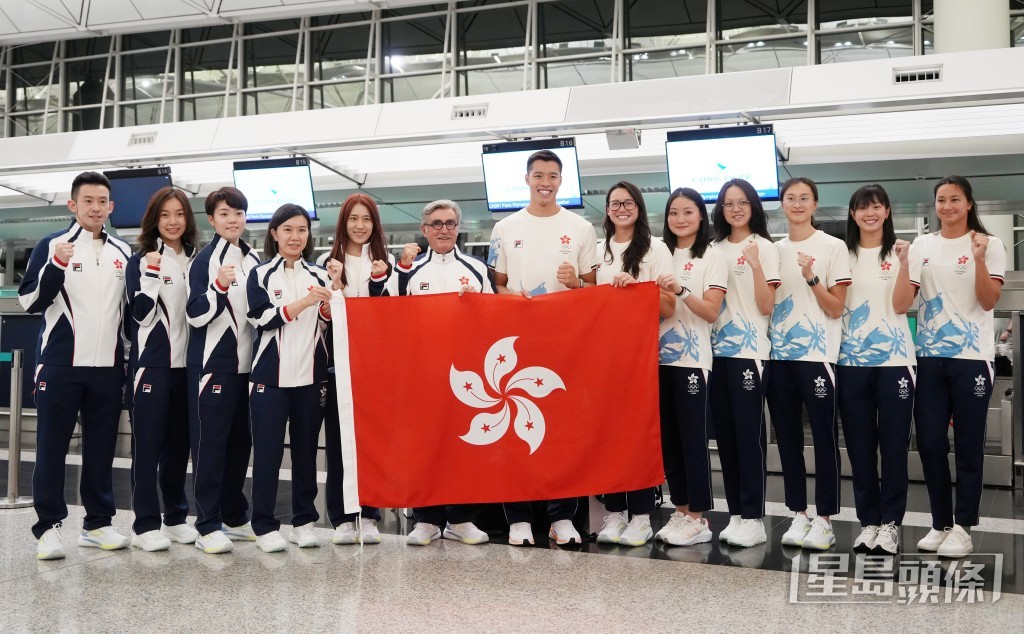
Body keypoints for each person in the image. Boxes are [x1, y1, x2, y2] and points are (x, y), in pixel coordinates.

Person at [487, 149, 599, 546]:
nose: (545, 182)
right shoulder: (505, 227)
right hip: (515, 344)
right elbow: (496, 281)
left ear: (561, 181)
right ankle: (518, 517)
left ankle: (561, 516)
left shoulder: (581, 228)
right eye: (538, 175)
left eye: (553, 175)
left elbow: (593, 291)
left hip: (565, 344)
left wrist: (576, 285)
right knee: (515, 425)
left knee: (562, 430)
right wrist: (509, 298)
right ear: (527, 179)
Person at [20, 171, 132, 560]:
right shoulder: (52, 244)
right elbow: (29, 302)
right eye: (88, 201)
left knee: (101, 449)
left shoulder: (123, 252)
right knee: (51, 447)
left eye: (102, 201)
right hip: (60, 364)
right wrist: (54, 265)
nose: (96, 207)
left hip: (107, 366)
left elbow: (130, 312)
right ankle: (48, 527)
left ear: (111, 206)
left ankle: (97, 524)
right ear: (73, 205)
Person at [911, 175, 1004, 558]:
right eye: (941, 200)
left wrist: (979, 260)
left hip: (972, 359)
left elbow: (987, 301)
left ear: (968, 204)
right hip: (929, 357)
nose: (947, 206)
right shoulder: (922, 245)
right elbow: (907, 296)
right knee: (930, 443)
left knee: (968, 445)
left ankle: (963, 525)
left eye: (955, 199)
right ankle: (940, 522)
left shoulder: (988, 243)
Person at [394, 199, 494, 546]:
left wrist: (476, 305)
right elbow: (391, 316)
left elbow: (496, 316)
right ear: (424, 230)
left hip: (467, 373)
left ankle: (462, 519)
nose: (443, 229)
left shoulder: (477, 268)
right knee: (425, 446)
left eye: (450, 223)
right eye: (436, 224)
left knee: (465, 445)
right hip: (423, 373)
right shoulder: (408, 271)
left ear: (458, 228)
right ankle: (426, 519)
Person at [767, 177, 850, 551]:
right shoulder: (771, 250)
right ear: (782, 204)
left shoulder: (833, 247)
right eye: (790, 198)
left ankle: (826, 518)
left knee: (823, 437)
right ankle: (798, 513)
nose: (797, 204)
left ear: (815, 204)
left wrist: (812, 277)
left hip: (818, 358)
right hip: (779, 358)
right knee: (787, 439)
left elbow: (836, 307)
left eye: (804, 198)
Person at [247, 204, 333, 553]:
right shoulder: (260, 274)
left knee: (306, 453)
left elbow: (328, 323)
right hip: (270, 378)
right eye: (287, 230)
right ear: (274, 234)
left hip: (311, 378)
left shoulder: (321, 275)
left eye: (301, 230)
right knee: (267, 454)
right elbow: (261, 319)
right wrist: (305, 302)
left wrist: (327, 309)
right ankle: (264, 525)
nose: (295, 237)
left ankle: (304, 522)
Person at [592, 181, 674, 547]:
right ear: (607, 210)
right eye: (614, 203)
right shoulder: (598, 251)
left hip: (641, 355)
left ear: (639, 208)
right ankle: (615, 512)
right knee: (607, 435)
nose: (620, 209)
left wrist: (638, 287)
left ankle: (641, 514)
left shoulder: (655, 248)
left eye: (628, 203)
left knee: (639, 434)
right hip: (603, 358)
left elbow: (669, 305)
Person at [837, 185, 916, 555]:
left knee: (893, 445)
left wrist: (904, 264)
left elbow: (902, 305)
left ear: (887, 211)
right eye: (862, 208)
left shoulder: (901, 251)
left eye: (876, 207)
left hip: (895, 364)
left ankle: (891, 524)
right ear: (852, 214)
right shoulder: (842, 254)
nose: (869, 213)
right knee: (860, 445)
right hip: (851, 362)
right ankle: (868, 522)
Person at [186, 186, 261, 554]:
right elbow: (194, 314)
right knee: (210, 448)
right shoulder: (205, 260)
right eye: (225, 214)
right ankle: (206, 523)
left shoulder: (253, 257)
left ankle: (234, 515)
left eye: (239, 213)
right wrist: (218, 286)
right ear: (212, 220)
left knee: (238, 447)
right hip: (213, 368)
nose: (233, 220)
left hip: (249, 370)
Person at [125, 187, 200, 551]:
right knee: (148, 447)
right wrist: (152, 275)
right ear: (154, 219)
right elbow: (139, 316)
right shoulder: (141, 260)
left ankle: (174, 517)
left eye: (179, 214)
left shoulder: (198, 260)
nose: (173, 221)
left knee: (178, 447)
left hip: (187, 369)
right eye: (166, 214)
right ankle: (145, 524)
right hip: (152, 366)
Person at [320, 193, 396, 544]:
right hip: (340, 366)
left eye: (366, 219)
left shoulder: (386, 262)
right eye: (354, 219)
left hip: (377, 369)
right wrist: (335, 285)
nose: (360, 226)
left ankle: (369, 515)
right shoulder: (327, 261)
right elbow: (323, 317)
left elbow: (391, 318)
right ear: (344, 223)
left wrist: (381, 282)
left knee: (371, 443)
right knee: (338, 442)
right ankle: (341, 517)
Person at [653, 187, 727, 548]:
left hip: (693, 360)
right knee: (669, 440)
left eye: (688, 212)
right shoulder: (659, 253)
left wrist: (681, 291)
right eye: (673, 213)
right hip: (657, 360)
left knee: (693, 440)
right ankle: (680, 509)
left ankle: (699, 517)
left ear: (701, 215)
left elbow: (712, 312)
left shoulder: (712, 256)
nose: (680, 219)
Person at [708, 179, 780, 548]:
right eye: (728, 203)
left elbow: (767, 306)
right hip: (715, 354)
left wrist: (754, 265)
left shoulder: (765, 248)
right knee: (727, 438)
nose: (735, 209)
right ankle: (736, 513)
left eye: (742, 202)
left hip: (750, 353)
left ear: (753, 206)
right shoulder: (712, 248)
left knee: (749, 437)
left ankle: (754, 517)